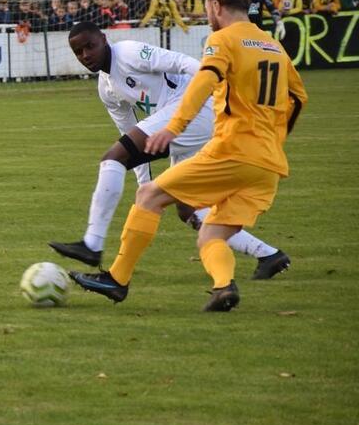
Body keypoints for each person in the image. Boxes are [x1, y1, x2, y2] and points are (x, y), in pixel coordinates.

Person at [70, 0, 308, 311]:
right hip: (269, 163)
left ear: (216, 6)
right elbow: (298, 98)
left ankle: (117, 279)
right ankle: (226, 286)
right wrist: (275, 139)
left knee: (148, 196)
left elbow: (203, 81)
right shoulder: (274, 46)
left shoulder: (222, 39)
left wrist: (173, 127)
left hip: (231, 150)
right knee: (209, 232)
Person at [50, 20, 290, 280]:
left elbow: (180, 62)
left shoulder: (129, 52)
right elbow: (128, 133)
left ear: (104, 39)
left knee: (112, 157)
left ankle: (92, 244)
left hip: (197, 108)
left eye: (90, 46)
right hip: (182, 123)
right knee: (187, 207)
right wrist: (146, 186)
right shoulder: (107, 89)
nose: (86, 55)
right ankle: (268, 255)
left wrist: (219, 85)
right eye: (78, 52)